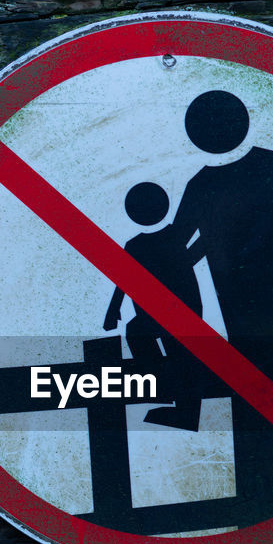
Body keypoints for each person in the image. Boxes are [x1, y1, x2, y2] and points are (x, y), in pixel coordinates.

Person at [166, 90, 273, 504]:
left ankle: (265, 520)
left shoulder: (203, 186)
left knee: (261, 445)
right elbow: (229, 234)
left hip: (256, 330)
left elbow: (177, 246)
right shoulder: (270, 165)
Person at [103, 181, 203, 431]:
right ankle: (177, 404)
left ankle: (180, 407)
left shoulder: (143, 244)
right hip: (166, 313)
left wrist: (113, 310)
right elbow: (123, 280)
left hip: (177, 314)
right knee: (170, 350)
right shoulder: (168, 238)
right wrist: (113, 309)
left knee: (152, 339)